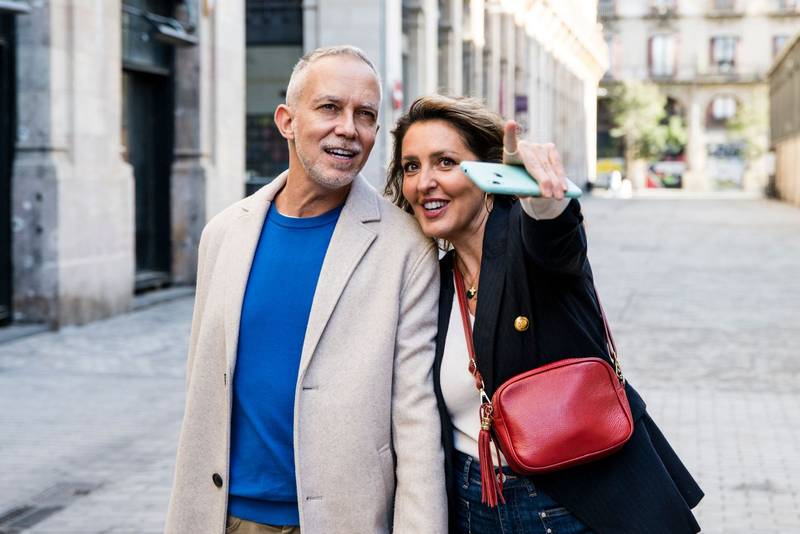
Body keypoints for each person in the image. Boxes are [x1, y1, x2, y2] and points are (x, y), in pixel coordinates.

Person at [385, 95, 703, 534]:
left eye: (445, 162)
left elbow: (556, 238)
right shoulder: (432, 281)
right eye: (411, 166)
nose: (424, 182)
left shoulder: (527, 242)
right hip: (472, 505)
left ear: (488, 172)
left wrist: (543, 200)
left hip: (570, 503)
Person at [165, 46, 447, 534]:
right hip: (227, 517)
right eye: (329, 107)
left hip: (345, 518)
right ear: (287, 121)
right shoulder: (224, 233)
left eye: (365, 115)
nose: (348, 128)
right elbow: (203, 386)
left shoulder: (406, 247)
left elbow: (416, 419)